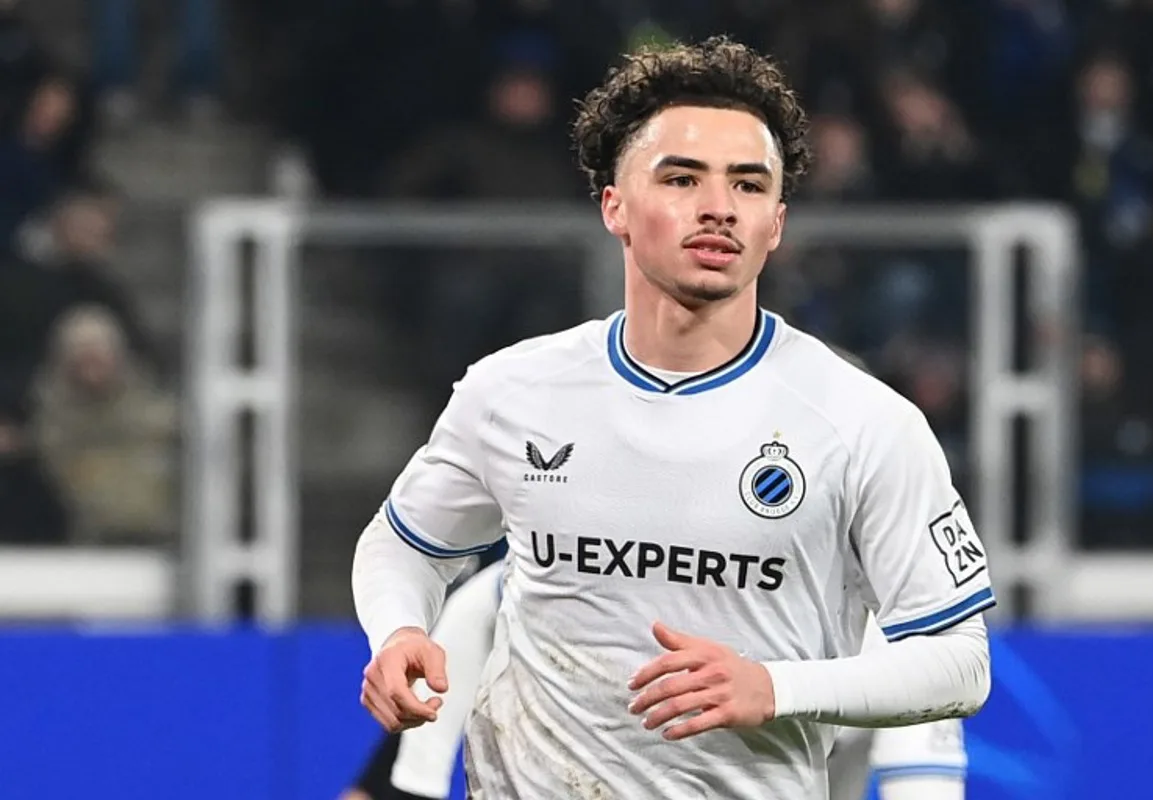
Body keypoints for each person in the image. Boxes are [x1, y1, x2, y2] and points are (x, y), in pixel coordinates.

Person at [352, 36, 994, 799]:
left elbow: (961, 662)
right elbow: (405, 544)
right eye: (683, 178)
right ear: (614, 207)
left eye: (749, 186)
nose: (719, 208)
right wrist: (397, 630)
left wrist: (776, 688)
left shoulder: (862, 422)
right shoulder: (512, 392)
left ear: (777, 222)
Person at [343, 559, 969, 800]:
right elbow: (401, 787)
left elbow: (926, 790)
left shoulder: (895, 644)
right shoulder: (519, 597)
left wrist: (775, 691)